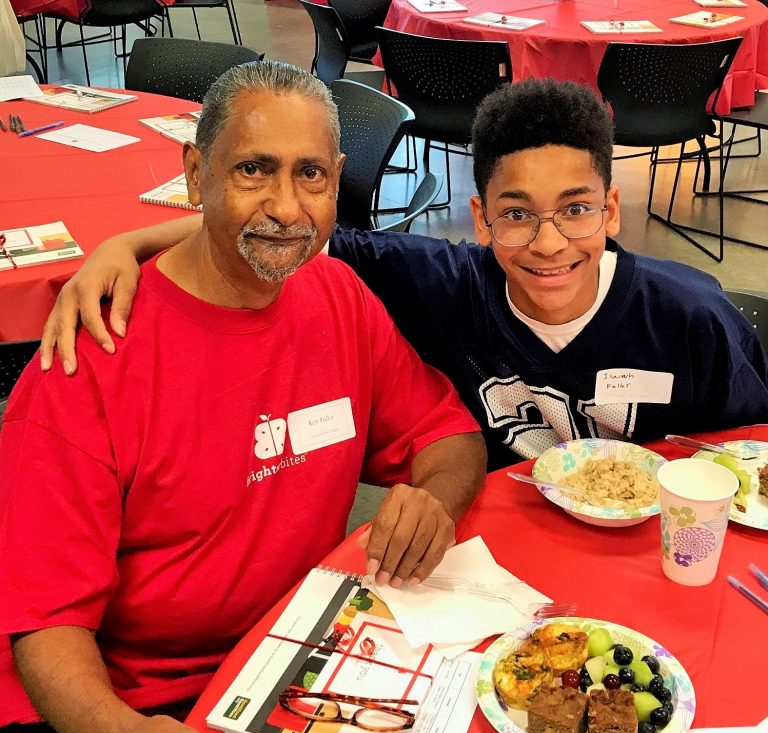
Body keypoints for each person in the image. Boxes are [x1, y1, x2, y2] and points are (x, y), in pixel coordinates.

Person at [0, 61, 485, 733]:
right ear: (195, 176)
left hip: (287, 672)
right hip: (111, 697)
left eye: (311, 175)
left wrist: (434, 495)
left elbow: (448, 436)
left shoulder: (337, 299)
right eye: (253, 169)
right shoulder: (89, 358)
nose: (286, 206)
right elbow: (43, 628)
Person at [41, 78, 768, 470]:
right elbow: (287, 231)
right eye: (517, 216)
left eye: (576, 211)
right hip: (501, 561)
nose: (549, 244)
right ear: (480, 221)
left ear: (611, 209)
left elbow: (746, 469)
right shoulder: (439, 282)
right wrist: (126, 245)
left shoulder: (691, 320)